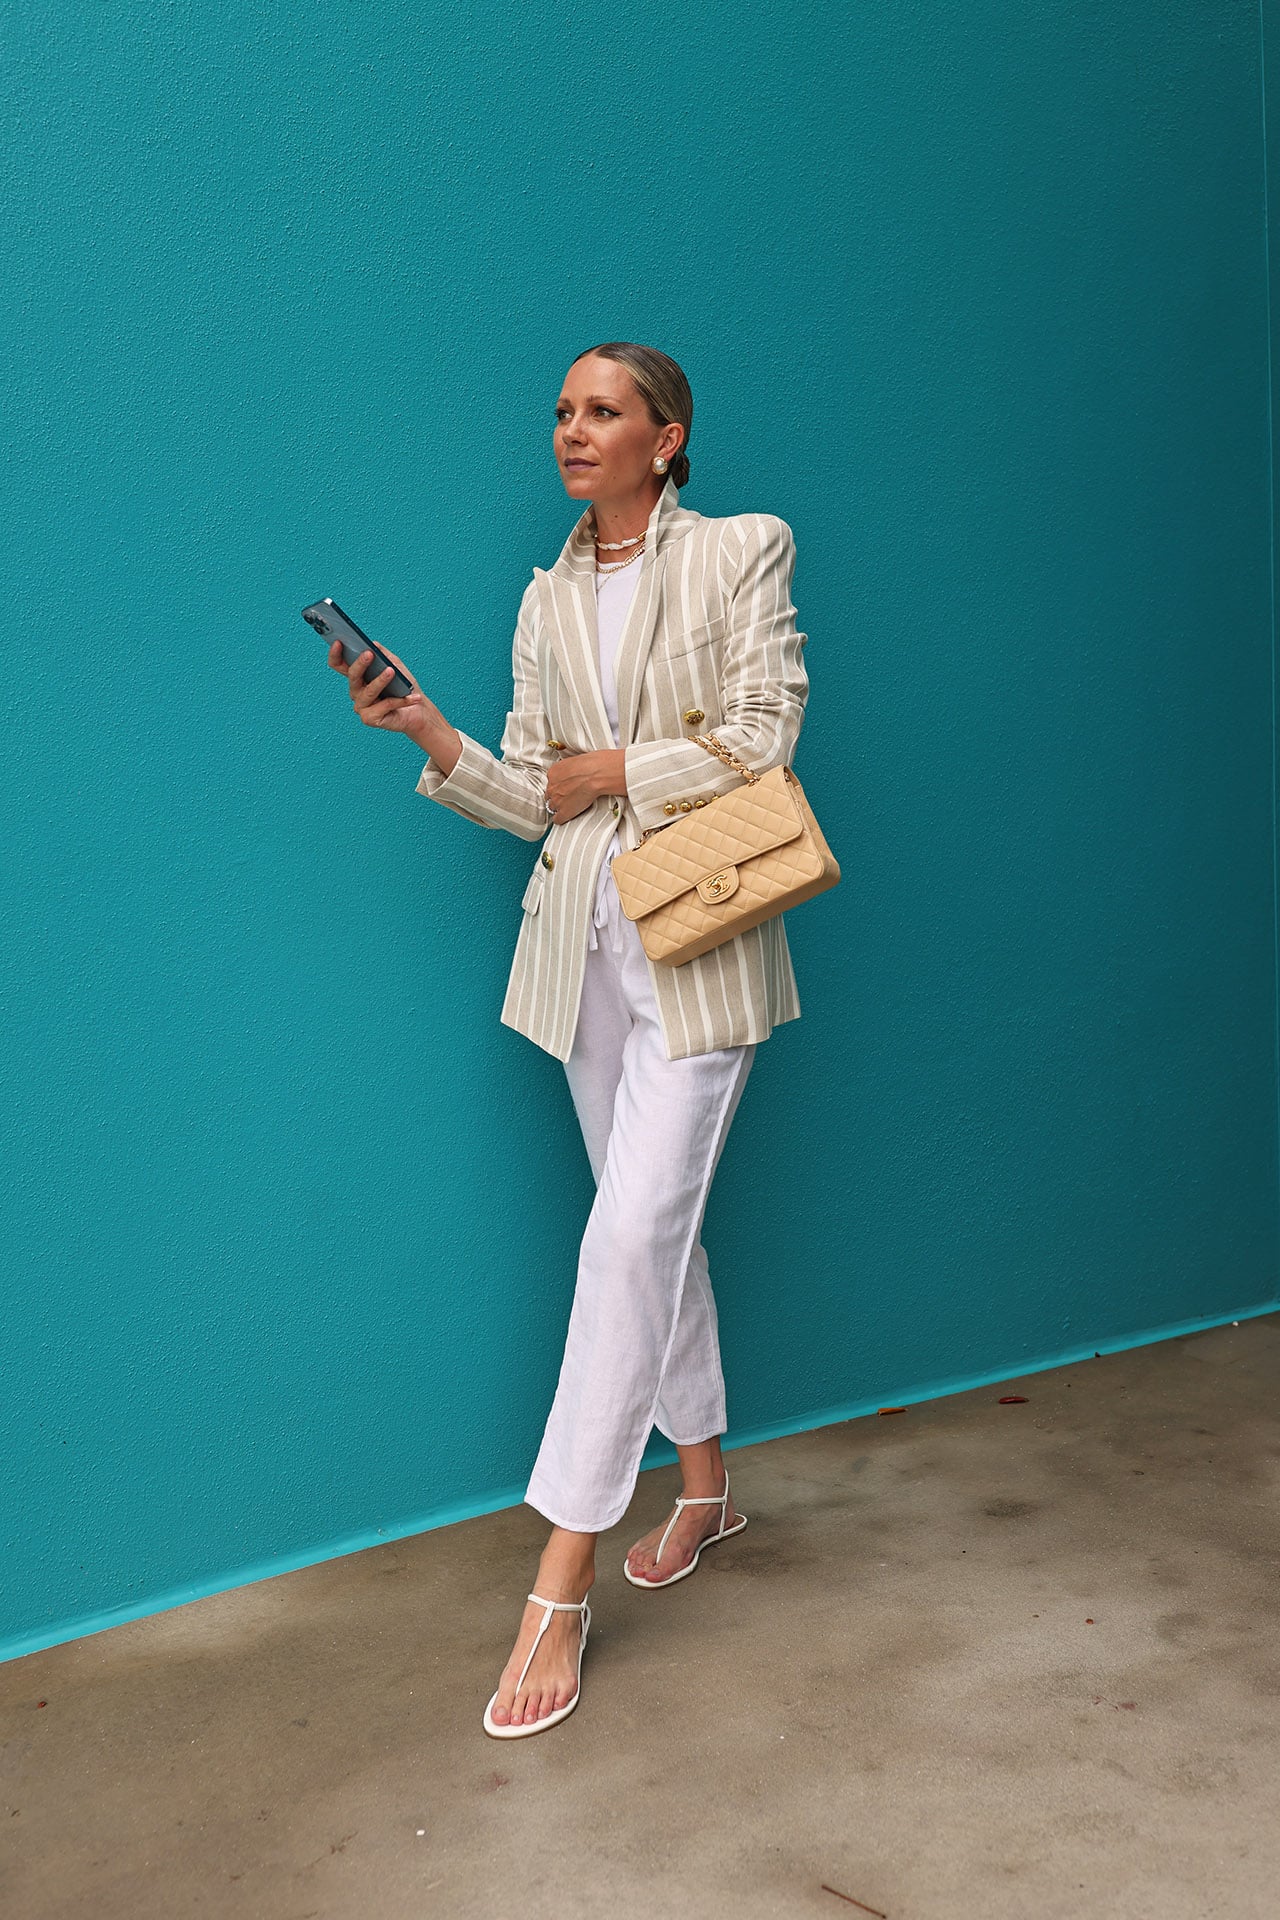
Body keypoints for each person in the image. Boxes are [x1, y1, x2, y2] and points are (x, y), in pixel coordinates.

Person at [330, 341, 810, 1738]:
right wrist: (425, 729)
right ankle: (707, 1486)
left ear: (668, 438)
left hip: (704, 951)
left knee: (622, 1242)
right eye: (560, 411)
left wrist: (615, 770)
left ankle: (560, 1572)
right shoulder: (546, 600)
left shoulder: (739, 552)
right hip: (587, 964)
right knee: (650, 1235)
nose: (573, 431)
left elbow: (765, 733)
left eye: (604, 412)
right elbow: (543, 802)